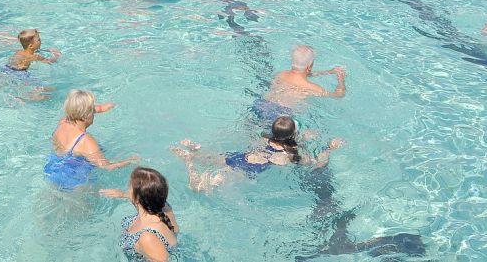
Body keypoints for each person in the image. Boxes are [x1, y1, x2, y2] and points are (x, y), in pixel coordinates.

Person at [171, 116, 343, 194]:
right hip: (248, 170)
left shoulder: (263, 138)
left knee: (214, 158)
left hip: (238, 156)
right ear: (293, 136)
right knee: (202, 188)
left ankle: (195, 152)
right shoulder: (290, 155)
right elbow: (316, 163)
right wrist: (329, 149)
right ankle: (194, 164)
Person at [44, 89, 137, 190]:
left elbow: (77, 111)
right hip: (73, 182)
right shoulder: (86, 141)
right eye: (92, 110)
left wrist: (102, 108)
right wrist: (129, 160)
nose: (94, 112)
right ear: (85, 116)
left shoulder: (63, 122)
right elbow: (107, 166)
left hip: (52, 171)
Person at [100, 167, 179, 262]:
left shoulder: (148, 237)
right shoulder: (164, 207)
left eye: (129, 187)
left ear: (138, 198)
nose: (127, 189)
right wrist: (124, 194)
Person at [252, 45, 346, 123]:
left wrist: (329, 72)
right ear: (310, 66)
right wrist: (341, 79)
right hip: (280, 115)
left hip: (261, 104)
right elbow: (338, 95)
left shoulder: (280, 74)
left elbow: (302, 74)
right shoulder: (313, 88)